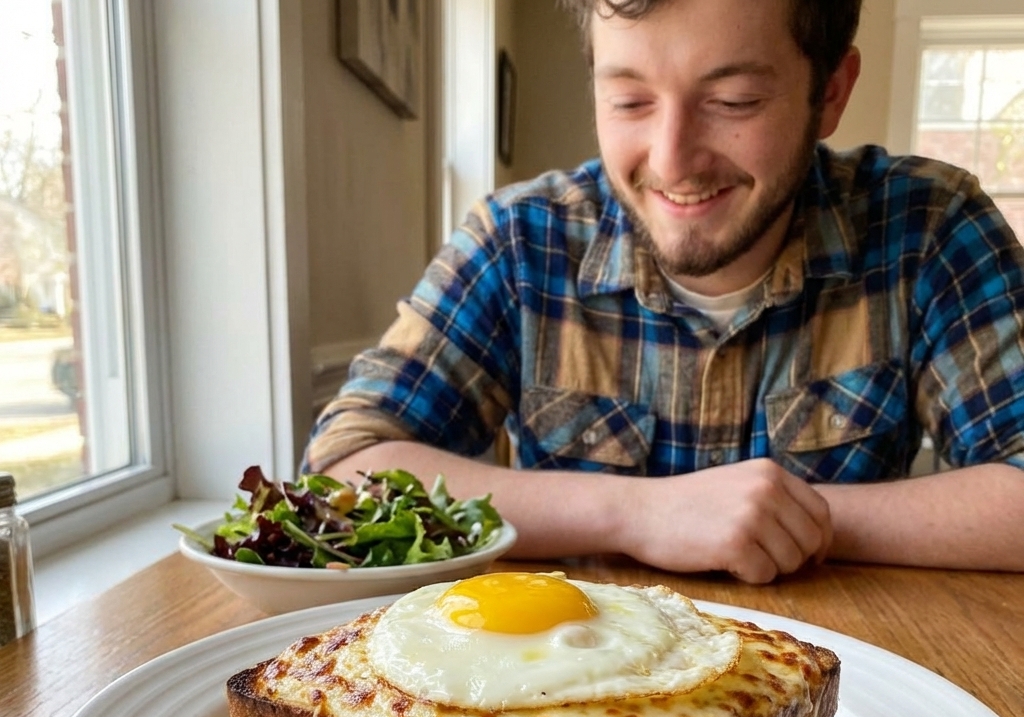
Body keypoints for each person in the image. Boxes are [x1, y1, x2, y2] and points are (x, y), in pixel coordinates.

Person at [304, 0, 1024, 583]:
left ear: (830, 92)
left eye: (733, 100)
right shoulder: (520, 242)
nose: (673, 159)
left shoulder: (929, 226)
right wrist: (637, 513)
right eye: (628, 100)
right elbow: (347, 462)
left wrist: (786, 517)